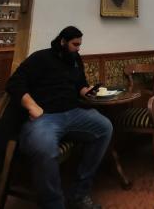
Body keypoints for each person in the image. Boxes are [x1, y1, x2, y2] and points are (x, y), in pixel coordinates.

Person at [6, 26, 113, 209]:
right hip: (45, 117)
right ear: (63, 42)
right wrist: (32, 106)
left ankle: (79, 194)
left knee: (105, 127)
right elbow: (14, 83)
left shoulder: (75, 59)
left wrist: (88, 91)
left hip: (73, 113)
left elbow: (80, 85)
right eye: (75, 44)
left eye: (80, 44)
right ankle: (53, 204)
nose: (78, 48)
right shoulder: (40, 58)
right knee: (44, 148)